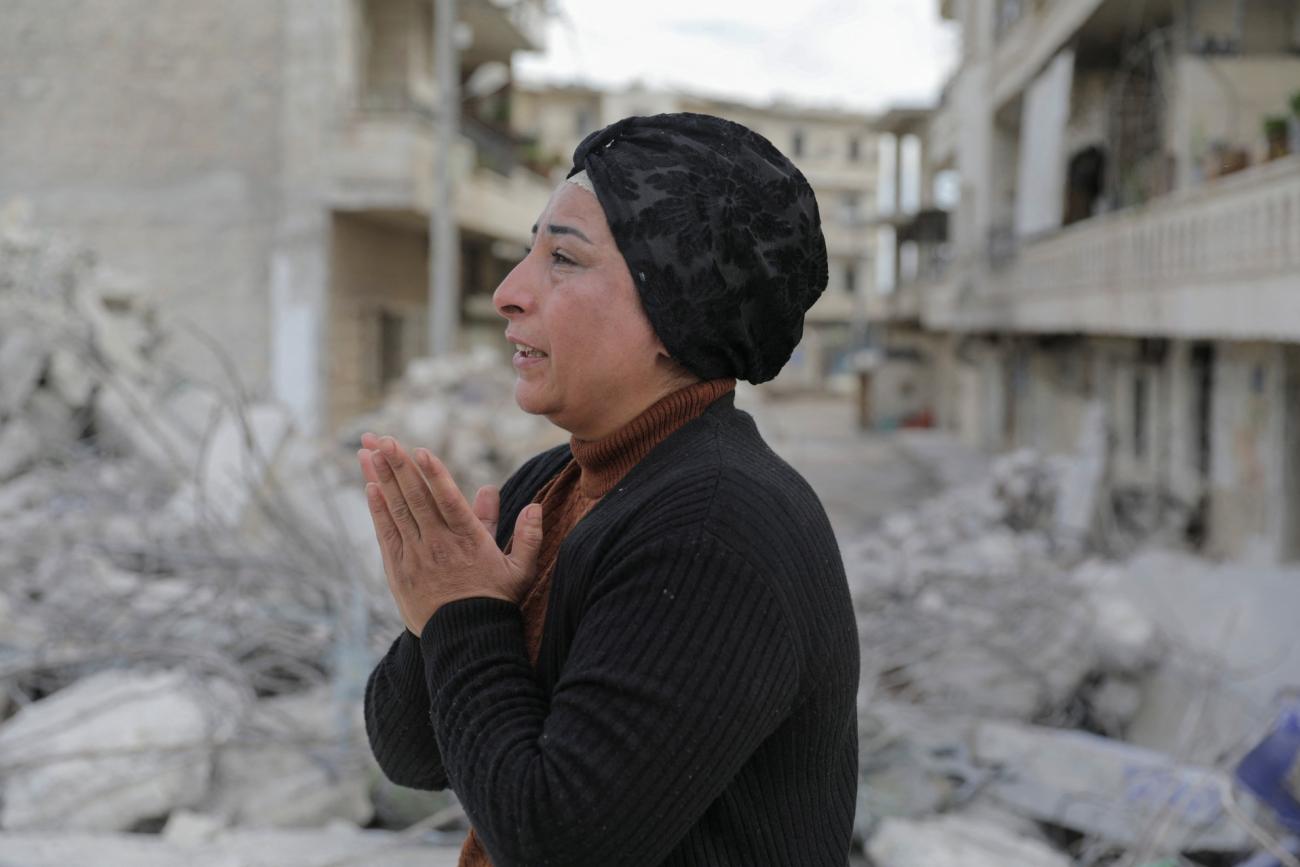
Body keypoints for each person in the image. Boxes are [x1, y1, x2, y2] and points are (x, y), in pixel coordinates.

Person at [359, 112, 859, 867]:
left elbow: (556, 840)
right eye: (530, 249)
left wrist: (462, 615)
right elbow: (412, 756)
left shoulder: (713, 529)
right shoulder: (554, 485)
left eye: (563, 257)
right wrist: (441, 609)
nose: (508, 292)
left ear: (678, 307)